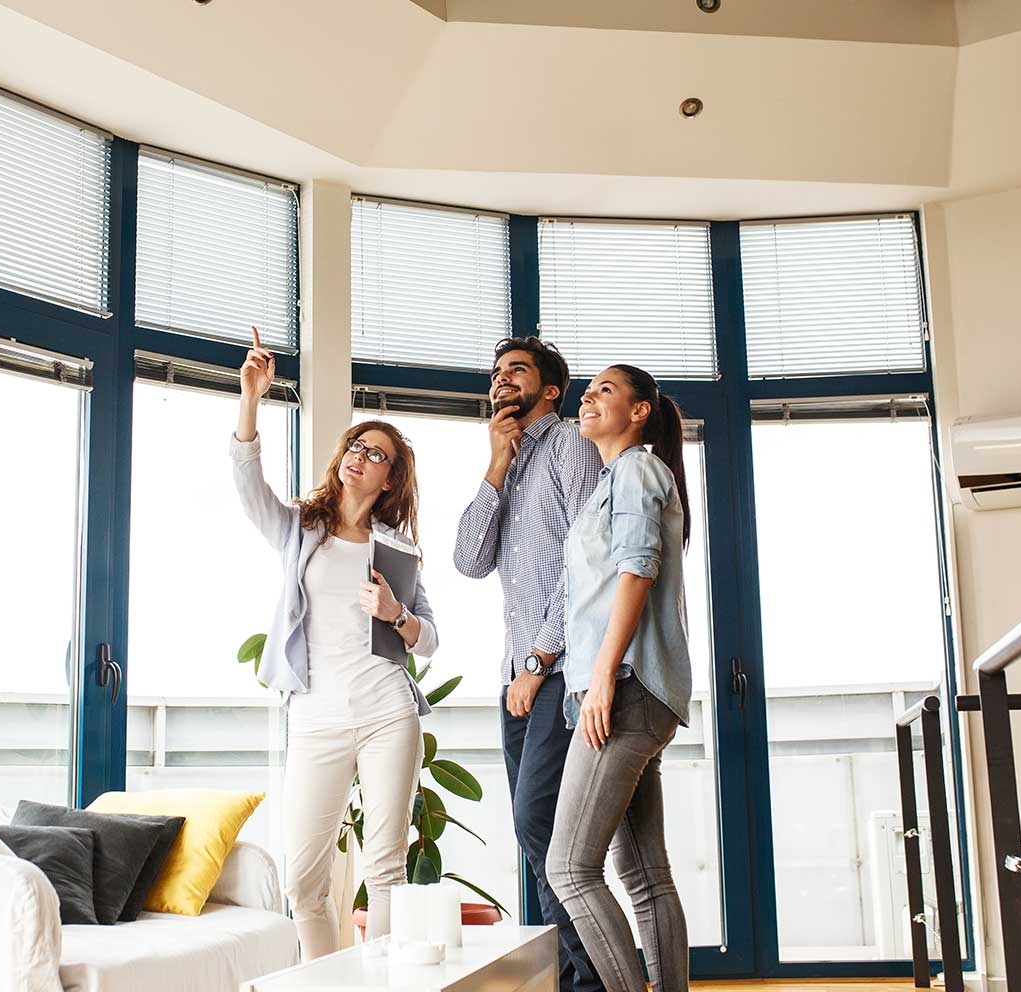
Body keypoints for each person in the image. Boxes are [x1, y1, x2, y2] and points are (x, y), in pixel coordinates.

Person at [232, 327, 438, 960]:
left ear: (390, 478)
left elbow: (429, 639)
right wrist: (251, 398)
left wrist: (397, 614)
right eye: (355, 445)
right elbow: (249, 488)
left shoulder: (397, 547)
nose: (358, 455)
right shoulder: (301, 527)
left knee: (385, 868)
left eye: (375, 453)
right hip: (315, 717)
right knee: (302, 880)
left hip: (386, 713)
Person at [454, 337, 604, 992]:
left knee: (542, 823)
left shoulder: (570, 443)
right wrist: (495, 463)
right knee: (542, 832)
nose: (500, 380)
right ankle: (580, 977)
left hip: (558, 672)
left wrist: (540, 660)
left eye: (516, 370)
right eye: (496, 373)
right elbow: (468, 560)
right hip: (517, 677)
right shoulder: (508, 461)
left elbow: (589, 561)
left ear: (550, 389)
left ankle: (593, 981)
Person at [546, 364, 693, 992]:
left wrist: (603, 676)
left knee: (570, 868)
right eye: (589, 390)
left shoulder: (635, 470)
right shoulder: (619, 478)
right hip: (639, 691)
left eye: (605, 390)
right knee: (644, 874)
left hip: (625, 687)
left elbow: (637, 570)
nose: (588, 397)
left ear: (639, 412)